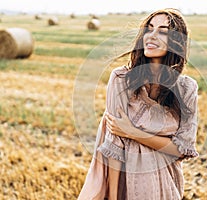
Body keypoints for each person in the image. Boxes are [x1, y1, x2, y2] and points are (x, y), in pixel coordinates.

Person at [78, 8, 199, 200]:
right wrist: (114, 196)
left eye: (162, 31)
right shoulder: (121, 79)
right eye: (149, 29)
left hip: (165, 185)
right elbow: (113, 145)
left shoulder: (186, 89)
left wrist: (132, 132)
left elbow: (182, 149)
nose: (151, 36)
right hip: (126, 183)